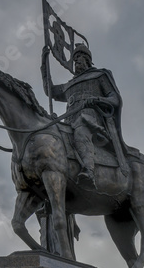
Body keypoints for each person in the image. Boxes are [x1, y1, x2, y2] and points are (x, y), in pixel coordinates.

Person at [41, 43, 126, 188]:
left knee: (81, 131)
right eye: (74, 60)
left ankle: (89, 171)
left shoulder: (99, 75)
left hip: (91, 120)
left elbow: (115, 99)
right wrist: (44, 65)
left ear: (87, 59)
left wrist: (98, 99)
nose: (76, 63)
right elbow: (50, 91)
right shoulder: (69, 84)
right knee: (51, 136)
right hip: (69, 119)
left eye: (79, 58)